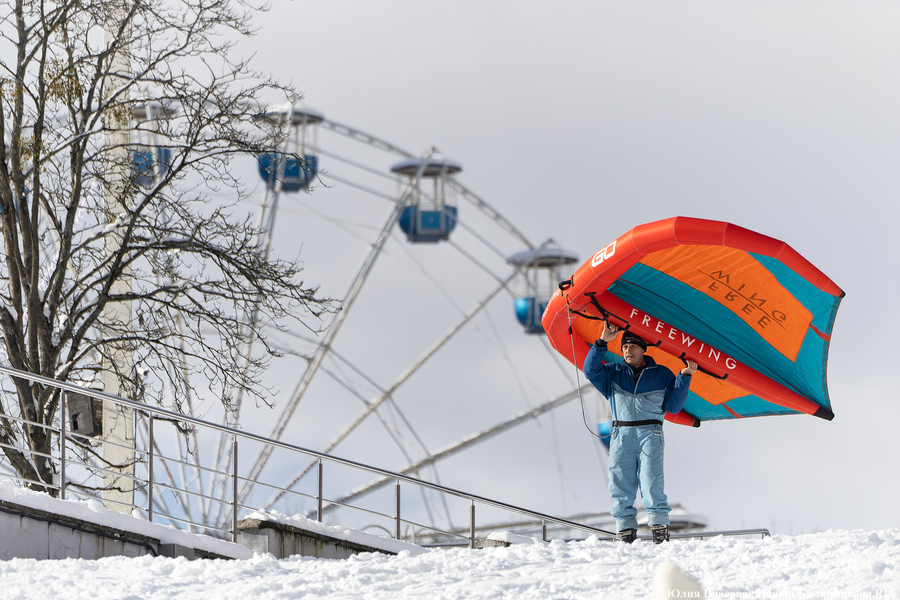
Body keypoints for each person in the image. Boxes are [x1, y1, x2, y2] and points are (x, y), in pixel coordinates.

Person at [583, 320, 697, 544]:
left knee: (651, 480)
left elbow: (673, 406)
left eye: (633, 346)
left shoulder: (662, 374)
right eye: (625, 347)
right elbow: (590, 370)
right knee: (619, 482)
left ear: (643, 349)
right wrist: (602, 341)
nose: (628, 350)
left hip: (650, 433)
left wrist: (684, 376)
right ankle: (625, 530)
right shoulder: (613, 372)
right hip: (621, 433)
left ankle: (659, 528)